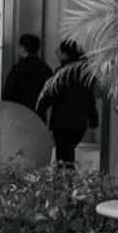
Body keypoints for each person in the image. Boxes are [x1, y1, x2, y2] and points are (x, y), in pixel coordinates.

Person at [40, 37, 99, 165]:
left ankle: (64, 182)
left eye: (60, 51)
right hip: (80, 122)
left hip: (62, 121)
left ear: (66, 54)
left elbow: (51, 94)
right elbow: (90, 99)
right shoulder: (85, 73)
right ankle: (67, 179)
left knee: (63, 155)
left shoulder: (62, 73)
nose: (57, 53)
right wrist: (93, 118)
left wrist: (40, 108)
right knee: (68, 153)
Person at [2, 33, 54, 121]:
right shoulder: (45, 68)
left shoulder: (18, 69)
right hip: (39, 115)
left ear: (23, 49)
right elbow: (52, 92)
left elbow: (8, 93)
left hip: (19, 115)